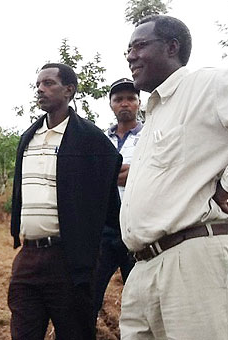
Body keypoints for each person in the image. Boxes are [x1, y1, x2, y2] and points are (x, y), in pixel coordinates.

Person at [120, 14, 228, 340]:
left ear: (172, 47)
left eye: (140, 46)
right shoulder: (154, 113)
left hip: (194, 263)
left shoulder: (207, 86)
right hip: (142, 270)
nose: (130, 56)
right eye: (127, 50)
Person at [8, 63, 121, 340]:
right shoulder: (29, 138)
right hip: (28, 257)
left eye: (48, 83)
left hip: (69, 261)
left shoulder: (91, 140)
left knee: (74, 332)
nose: (40, 90)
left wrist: (89, 251)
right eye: (38, 84)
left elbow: (107, 201)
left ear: (69, 90)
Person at [93, 78, 141, 319]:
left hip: (138, 227)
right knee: (89, 293)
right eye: (118, 99)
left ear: (139, 103)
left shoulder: (152, 137)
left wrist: (138, 172)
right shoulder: (99, 140)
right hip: (104, 229)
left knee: (139, 296)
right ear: (111, 104)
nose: (125, 104)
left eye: (130, 99)